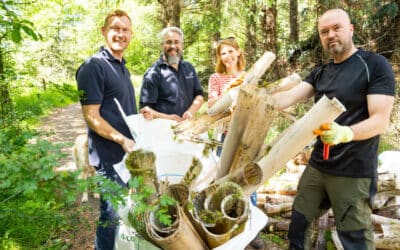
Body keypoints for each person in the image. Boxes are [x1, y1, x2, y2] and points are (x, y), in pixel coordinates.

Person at [268, 9, 395, 249]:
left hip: (354, 170)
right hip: (319, 165)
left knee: (354, 237)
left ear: (351, 29)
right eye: (324, 31)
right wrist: (249, 96)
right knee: (299, 225)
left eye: (336, 28)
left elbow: (380, 120)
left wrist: (346, 133)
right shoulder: (321, 72)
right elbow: (288, 98)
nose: (331, 35)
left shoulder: (374, 65)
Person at [76, 10, 137, 250]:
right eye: (115, 28)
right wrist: (122, 139)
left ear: (131, 34)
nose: (120, 34)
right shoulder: (93, 66)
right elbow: (92, 117)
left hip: (125, 155)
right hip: (108, 157)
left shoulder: (122, 67)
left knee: (122, 212)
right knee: (110, 217)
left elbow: (120, 109)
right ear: (104, 31)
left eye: (125, 30)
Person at [139, 26, 204, 122]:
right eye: (169, 42)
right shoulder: (153, 73)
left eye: (176, 42)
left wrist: (190, 111)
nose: (173, 46)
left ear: (182, 45)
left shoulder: (189, 68)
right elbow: (144, 110)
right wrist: (169, 118)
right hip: (162, 130)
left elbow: (199, 95)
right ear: (162, 45)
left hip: (187, 128)